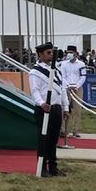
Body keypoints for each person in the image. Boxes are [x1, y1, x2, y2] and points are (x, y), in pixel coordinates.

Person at [28, 42, 68, 177]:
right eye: (48, 53)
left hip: (56, 108)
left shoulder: (56, 69)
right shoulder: (35, 72)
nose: (51, 55)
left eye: (52, 52)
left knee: (54, 140)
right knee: (44, 139)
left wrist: (65, 107)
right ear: (40, 54)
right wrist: (41, 103)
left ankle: (53, 167)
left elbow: (62, 89)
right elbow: (34, 91)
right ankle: (42, 167)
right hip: (44, 109)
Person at [58, 45, 87, 138]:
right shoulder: (64, 64)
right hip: (66, 88)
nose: (69, 54)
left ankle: (75, 130)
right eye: (68, 52)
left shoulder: (81, 64)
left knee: (77, 110)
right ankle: (63, 130)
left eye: (71, 52)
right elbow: (62, 76)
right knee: (64, 109)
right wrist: (68, 86)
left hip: (78, 88)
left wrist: (76, 86)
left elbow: (83, 77)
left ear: (75, 53)